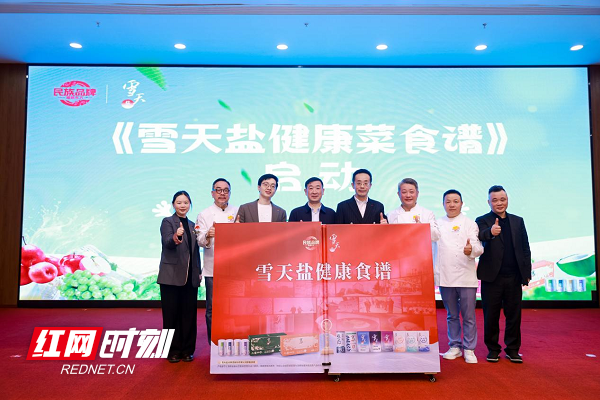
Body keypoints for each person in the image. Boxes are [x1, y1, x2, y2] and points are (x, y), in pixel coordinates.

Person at [476, 185, 531, 363]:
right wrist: (491, 233)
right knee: (490, 315)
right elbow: (480, 235)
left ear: (507, 200)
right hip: (492, 277)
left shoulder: (518, 221)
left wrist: (526, 272)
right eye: (495, 200)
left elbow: (525, 248)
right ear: (489, 202)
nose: (499, 203)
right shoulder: (482, 220)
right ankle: (493, 349)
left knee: (514, 315)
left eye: (502, 199)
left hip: (514, 276)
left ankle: (513, 349)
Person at [436, 189, 483, 364]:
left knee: (469, 315)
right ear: (443, 204)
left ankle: (469, 349)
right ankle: (455, 346)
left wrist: (471, 250)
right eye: (448, 201)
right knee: (452, 315)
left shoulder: (470, 224)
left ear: (461, 204)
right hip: (445, 275)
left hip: (465, 276)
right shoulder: (437, 223)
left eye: (455, 201)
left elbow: (478, 247)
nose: (452, 205)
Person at [157, 190, 201, 363]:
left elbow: (195, 252)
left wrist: (198, 272)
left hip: (190, 277)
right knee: (171, 315)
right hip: (171, 277)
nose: (183, 205)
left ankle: (187, 350)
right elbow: (167, 242)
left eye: (186, 202)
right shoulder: (168, 221)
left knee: (189, 314)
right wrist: (177, 236)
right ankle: (173, 350)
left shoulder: (192, 225)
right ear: (173, 204)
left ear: (190, 205)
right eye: (179, 202)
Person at [195, 178, 238, 345]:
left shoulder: (237, 211)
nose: (222, 193)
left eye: (225, 190)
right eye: (218, 190)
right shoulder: (204, 214)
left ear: (230, 193)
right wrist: (208, 235)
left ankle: (233, 342)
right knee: (212, 309)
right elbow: (199, 240)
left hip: (235, 268)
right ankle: (213, 344)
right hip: (212, 268)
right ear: (212, 193)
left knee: (234, 307)